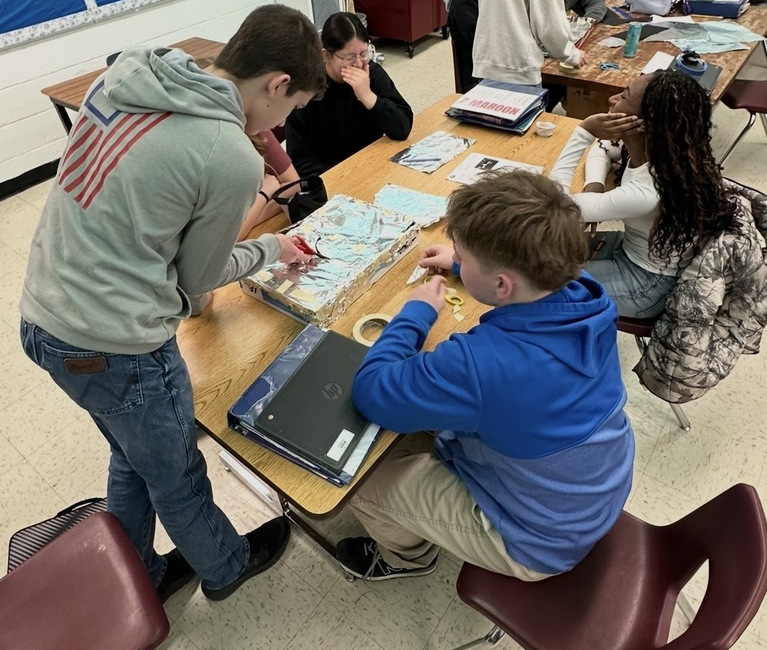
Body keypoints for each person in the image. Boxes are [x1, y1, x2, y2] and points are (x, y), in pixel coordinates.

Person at [19, 3, 327, 604]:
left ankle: (138, 572)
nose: (280, 129)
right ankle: (225, 565)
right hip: (115, 340)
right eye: (290, 112)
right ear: (277, 85)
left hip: (45, 315)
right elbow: (197, 286)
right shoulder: (229, 153)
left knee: (133, 453)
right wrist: (270, 247)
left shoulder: (134, 72)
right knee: (178, 470)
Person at [335, 169, 635, 583]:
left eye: (463, 252)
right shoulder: (583, 292)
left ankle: (407, 560)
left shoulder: (479, 365)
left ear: (501, 283)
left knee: (359, 481)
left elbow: (371, 392)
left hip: (541, 542)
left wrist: (416, 313)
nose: (456, 255)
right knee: (436, 425)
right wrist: (463, 263)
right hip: (593, 493)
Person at [548, 69, 739, 319]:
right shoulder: (662, 154)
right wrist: (594, 184)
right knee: (538, 250)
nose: (612, 99)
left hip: (645, 284)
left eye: (624, 97)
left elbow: (551, 205)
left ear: (642, 123)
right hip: (629, 251)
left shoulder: (646, 191)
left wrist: (583, 131)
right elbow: (604, 149)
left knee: (539, 289)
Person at [286, 11, 413, 176]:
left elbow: (402, 128)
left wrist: (368, 97)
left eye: (363, 53)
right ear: (326, 55)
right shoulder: (307, 90)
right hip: (334, 175)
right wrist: (342, 179)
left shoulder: (372, 73)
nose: (359, 63)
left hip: (374, 164)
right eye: (349, 57)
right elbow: (301, 161)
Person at [237, 128, 301, 239]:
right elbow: (230, 234)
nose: (281, 124)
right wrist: (264, 194)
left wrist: (247, 219)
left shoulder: (255, 127)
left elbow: (293, 184)